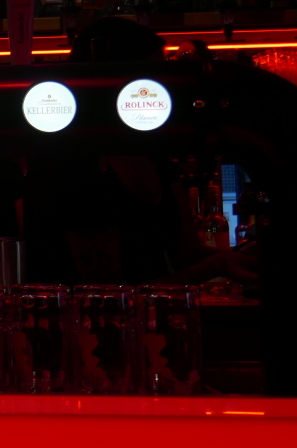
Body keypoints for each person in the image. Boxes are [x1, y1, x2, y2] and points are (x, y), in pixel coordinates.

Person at [23, 17, 258, 286]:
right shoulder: (74, 166)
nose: (163, 88)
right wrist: (214, 266)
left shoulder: (152, 151)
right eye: (153, 74)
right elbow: (105, 293)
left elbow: (187, 254)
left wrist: (234, 257)